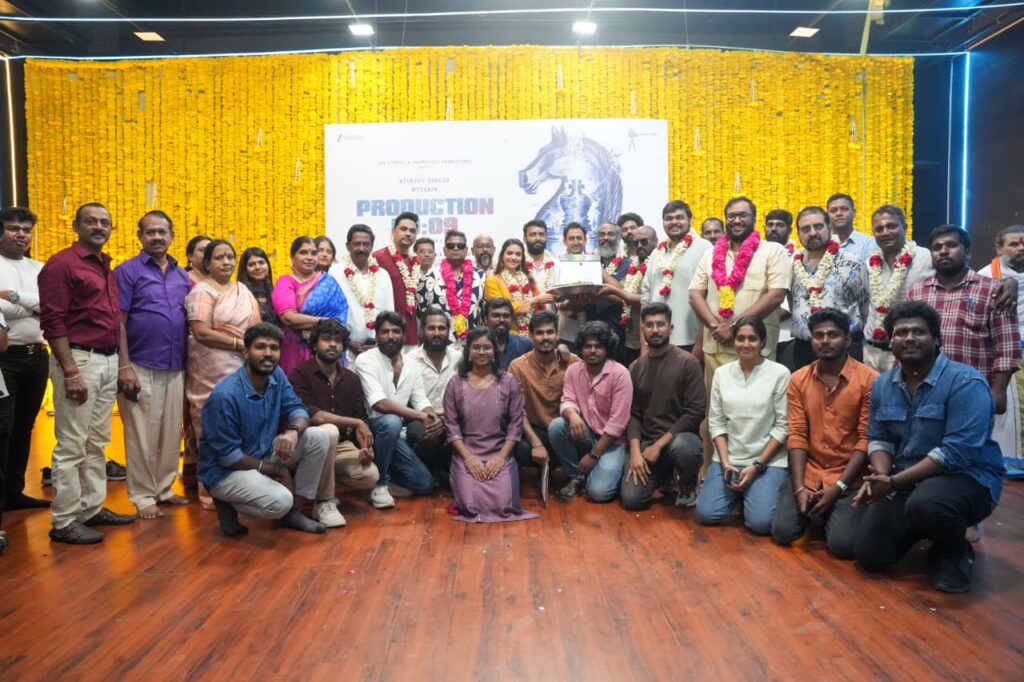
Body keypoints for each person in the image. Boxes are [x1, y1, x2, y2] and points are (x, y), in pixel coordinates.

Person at [853, 301, 1005, 593]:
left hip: (968, 480)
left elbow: (955, 453)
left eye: (919, 332)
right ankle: (929, 527)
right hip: (908, 481)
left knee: (928, 503)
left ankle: (955, 551)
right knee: (870, 555)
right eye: (901, 333)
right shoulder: (883, 385)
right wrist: (881, 476)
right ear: (891, 340)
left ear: (936, 338)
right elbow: (880, 438)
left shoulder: (966, 382)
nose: (909, 338)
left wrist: (893, 482)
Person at [39, 203, 137, 544]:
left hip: (107, 361)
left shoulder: (105, 266)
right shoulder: (61, 264)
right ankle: (65, 520)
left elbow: (115, 320)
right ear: (76, 226)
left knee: (97, 441)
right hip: (79, 361)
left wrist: (121, 363)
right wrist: (70, 371)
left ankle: (90, 508)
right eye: (91, 221)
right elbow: (53, 321)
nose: (99, 227)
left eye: (105, 222)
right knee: (72, 444)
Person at [199, 323, 332, 537]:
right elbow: (228, 456)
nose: (268, 353)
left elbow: (298, 409)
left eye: (274, 348)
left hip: (261, 454)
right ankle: (226, 500)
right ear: (246, 352)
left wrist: (293, 431)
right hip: (226, 471)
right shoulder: (226, 396)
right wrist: (278, 471)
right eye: (260, 347)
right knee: (280, 502)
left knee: (319, 436)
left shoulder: (276, 375)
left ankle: (294, 511)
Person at [907, 224, 1020, 468]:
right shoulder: (917, 292)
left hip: (973, 393)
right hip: (927, 393)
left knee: (970, 461)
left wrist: (998, 391)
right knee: (925, 457)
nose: (943, 251)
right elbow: (907, 344)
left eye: (951, 245)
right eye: (937, 247)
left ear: (967, 252)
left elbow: (1007, 345)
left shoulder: (993, 290)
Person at [772, 308, 876, 558]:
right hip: (810, 473)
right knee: (783, 532)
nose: (825, 341)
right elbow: (797, 434)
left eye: (833, 335)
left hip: (849, 478)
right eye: (818, 335)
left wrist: (838, 487)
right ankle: (820, 509)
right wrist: (799, 488)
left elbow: (866, 439)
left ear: (847, 339)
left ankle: (828, 510)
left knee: (843, 546)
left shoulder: (870, 380)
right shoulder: (799, 379)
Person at [113, 210, 192, 519]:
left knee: (171, 432)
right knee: (141, 433)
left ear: (172, 236)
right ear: (140, 236)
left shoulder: (182, 275)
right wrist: (124, 366)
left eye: (162, 231)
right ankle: (143, 494)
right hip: (140, 362)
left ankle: (164, 487)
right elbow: (118, 321)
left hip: (175, 364)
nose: (157, 236)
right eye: (151, 232)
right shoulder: (127, 272)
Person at [185, 239, 261, 509]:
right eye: (219, 257)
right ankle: (212, 489)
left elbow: (256, 329)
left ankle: (243, 487)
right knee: (210, 424)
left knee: (242, 422)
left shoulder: (243, 290)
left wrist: (253, 350)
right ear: (207, 263)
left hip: (243, 366)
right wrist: (241, 345)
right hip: (210, 367)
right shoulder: (201, 291)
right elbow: (201, 332)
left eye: (230, 256)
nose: (226, 262)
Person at [696, 315, 789, 535]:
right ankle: (742, 493)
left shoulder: (780, 373)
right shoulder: (722, 374)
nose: (746, 344)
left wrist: (757, 466)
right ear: (734, 341)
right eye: (740, 338)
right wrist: (726, 464)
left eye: (752, 339)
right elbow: (716, 422)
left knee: (760, 523)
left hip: (767, 461)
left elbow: (783, 427)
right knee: (706, 514)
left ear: (763, 342)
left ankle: (759, 489)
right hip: (729, 459)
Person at [288, 319, 379, 528]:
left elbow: (361, 416)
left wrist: (365, 448)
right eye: (326, 339)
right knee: (328, 431)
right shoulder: (299, 373)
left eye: (338, 341)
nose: (332, 344)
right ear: (315, 343)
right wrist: (357, 423)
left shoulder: (351, 379)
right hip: (309, 444)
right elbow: (315, 416)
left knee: (370, 475)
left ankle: (319, 484)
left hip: (341, 445)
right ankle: (324, 501)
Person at [689, 196, 790, 383]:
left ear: (754, 218)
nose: (736, 220)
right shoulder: (710, 254)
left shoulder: (773, 251)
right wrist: (715, 327)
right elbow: (695, 294)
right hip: (716, 346)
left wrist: (735, 328)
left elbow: (776, 295)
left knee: (758, 399)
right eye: (731, 216)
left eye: (743, 215)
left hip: (756, 347)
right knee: (717, 398)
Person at [443, 327, 537, 523]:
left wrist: (501, 458)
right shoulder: (455, 383)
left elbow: (515, 423)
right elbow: (451, 427)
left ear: (495, 352)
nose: (481, 352)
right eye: (476, 347)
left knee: (503, 506)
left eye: (486, 347)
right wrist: (469, 459)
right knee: (469, 506)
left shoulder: (508, 382)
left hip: (500, 451)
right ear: (468, 352)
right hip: (466, 453)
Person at [620, 303, 705, 510]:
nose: (655, 330)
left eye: (660, 324)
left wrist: (659, 446)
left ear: (671, 328)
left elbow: (695, 413)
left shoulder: (688, 363)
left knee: (685, 449)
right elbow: (633, 414)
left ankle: (688, 482)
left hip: (679, 439)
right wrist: (635, 452)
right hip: (647, 442)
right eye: (650, 325)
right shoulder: (635, 367)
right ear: (642, 329)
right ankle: (665, 475)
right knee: (632, 499)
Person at [354, 311, 439, 508]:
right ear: (377, 336)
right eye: (385, 332)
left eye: (396, 331)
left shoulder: (412, 365)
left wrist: (433, 419)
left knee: (424, 484)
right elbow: (379, 403)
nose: (390, 336)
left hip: (394, 433)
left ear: (404, 335)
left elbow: (421, 400)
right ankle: (379, 484)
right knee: (391, 421)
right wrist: (421, 416)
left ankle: (383, 472)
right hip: (368, 430)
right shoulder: (365, 360)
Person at [548, 321, 632, 502]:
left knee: (599, 493)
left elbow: (617, 425)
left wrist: (593, 456)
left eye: (598, 346)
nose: (592, 351)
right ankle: (576, 477)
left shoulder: (620, 374)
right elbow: (567, 400)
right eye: (587, 346)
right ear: (581, 348)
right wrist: (573, 415)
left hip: (613, 442)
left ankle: (610, 468)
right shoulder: (573, 370)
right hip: (588, 434)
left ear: (607, 348)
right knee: (557, 426)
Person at [0, 207, 50, 510]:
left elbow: (52, 306)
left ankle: (14, 492)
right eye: (13, 228)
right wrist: (32, 307)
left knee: (24, 426)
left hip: (36, 356)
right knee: (2, 428)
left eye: (26, 230)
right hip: (4, 359)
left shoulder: (39, 268)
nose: (21, 234)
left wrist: (14, 298)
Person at [788, 206, 869, 369]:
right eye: (805, 229)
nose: (812, 233)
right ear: (798, 234)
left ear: (830, 228)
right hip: (804, 348)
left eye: (818, 226)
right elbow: (792, 303)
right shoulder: (793, 264)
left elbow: (865, 304)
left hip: (844, 348)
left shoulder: (852, 262)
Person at [862, 204, 934, 372]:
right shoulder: (869, 263)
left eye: (892, 226)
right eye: (879, 229)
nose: (885, 232)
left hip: (908, 352)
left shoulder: (926, 258)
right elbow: (865, 302)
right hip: (871, 351)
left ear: (905, 227)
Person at [978, 224, 1024, 466]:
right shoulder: (986, 276)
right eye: (1014, 244)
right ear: (999, 248)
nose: (1021, 248)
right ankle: (1009, 462)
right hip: (1003, 355)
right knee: (1007, 416)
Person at [509, 311, 580, 466]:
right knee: (521, 450)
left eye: (550, 332)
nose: (545, 337)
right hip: (536, 430)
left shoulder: (573, 362)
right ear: (531, 336)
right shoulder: (518, 366)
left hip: (565, 429)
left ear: (557, 334)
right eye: (540, 333)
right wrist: (536, 443)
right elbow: (518, 410)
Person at [641, 200, 712, 352]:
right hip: (656, 339)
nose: (674, 222)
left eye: (679, 217)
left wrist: (700, 343)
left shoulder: (705, 248)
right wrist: (643, 345)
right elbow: (645, 298)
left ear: (690, 220)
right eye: (669, 218)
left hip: (690, 338)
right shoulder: (656, 253)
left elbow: (710, 298)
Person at [272, 236, 349, 375]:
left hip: (327, 349)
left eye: (313, 253)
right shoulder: (285, 281)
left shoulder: (328, 281)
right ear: (292, 257)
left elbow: (340, 317)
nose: (309, 257)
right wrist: (325, 321)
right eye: (303, 253)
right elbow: (288, 317)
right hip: (295, 349)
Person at [407, 307, 461, 478]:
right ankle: (429, 472)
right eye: (431, 328)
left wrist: (447, 419)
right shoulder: (409, 361)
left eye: (441, 328)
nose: (437, 333)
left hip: (453, 418)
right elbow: (408, 400)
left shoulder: (460, 358)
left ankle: (448, 469)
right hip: (421, 418)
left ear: (448, 331)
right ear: (421, 331)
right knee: (426, 432)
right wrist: (433, 419)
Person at [331, 224, 393, 362]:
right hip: (344, 348)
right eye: (356, 244)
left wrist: (380, 343)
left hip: (377, 349)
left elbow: (389, 314)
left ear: (372, 246)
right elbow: (331, 312)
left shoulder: (383, 275)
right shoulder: (336, 272)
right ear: (348, 246)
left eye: (366, 244)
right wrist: (347, 341)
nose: (361, 248)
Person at [598, 225, 657, 366]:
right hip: (631, 335)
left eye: (644, 242)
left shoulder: (659, 265)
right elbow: (628, 295)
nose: (639, 246)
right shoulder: (635, 265)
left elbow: (648, 300)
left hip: (651, 334)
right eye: (635, 243)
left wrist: (614, 291)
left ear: (656, 241)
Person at [417, 230, 483, 342]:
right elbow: (421, 315)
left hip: (473, 344)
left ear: (466, 250)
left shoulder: (481, 277)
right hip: (439, 344)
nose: (455, 248)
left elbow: (485, 314)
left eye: (460, 246)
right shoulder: (428, 277)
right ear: (444, 250)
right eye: (451, 246)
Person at [483, 238, 554, 335]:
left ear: (522, 258)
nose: (513, 257)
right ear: (502, 256)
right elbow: (499, 309)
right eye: (509, 253)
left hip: (530, 335)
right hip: (505, 335)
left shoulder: (528, 279)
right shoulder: (492, 281)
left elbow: (540, 305)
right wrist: (533, 301)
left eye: (518, 254)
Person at [373, 211, 421, 349]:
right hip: (387, 335)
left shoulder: (415, 261)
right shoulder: (378, 257)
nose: (408, 234)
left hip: (411, 334)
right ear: (393, 231)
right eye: (403, 229)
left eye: (412, 231)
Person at [588, 223, 633, 361]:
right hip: (590, 327)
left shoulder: (629, 264)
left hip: (617, 328)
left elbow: (626, 295)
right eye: (602, 234)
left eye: (610, 234)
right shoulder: (588, 261)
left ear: (618, 237)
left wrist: (600, 272)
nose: (605, 238)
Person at [762, 210, 796, 369]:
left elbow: (789, 306)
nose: (774, 229)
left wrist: (756, 316)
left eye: (780, 225)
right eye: (770, 225)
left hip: (785, 336)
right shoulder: (755, 255)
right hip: (758, 335)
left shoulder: (797, 259)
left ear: (790, 230)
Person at [553, 222, 590, 348]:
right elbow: (553, 296)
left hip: (590, 327)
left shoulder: (593, 263)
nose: (576, 242)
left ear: (585, 240)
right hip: (565, 329)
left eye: (579, 238)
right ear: (564, 241)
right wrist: (569, 304)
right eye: (571, 238)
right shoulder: (557, 264)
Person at [483, 297, 533, 369]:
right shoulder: (477, 346)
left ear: (511, 319)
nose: (501, 320)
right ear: (486, 319)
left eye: (506, 316)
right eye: (496, 316)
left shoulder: (525, 344)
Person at [827, 193, 875, 264]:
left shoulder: (869, 243)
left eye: (844, 209)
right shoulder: (821, 244)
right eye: (833, 210)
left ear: (854, 213)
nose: (839, 213)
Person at [236, 247, 278, 325]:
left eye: (261, 263)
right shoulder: (238, 294)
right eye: (251, 265)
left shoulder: (276, 292)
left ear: (268, 265)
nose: (258, 267)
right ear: (245, 270)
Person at [523, 219, 557, 305]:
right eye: (532, 234)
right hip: (525, 312)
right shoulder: (518, 264)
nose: (537, 238)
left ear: (546, 238)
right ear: (525, 238)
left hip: (550, 312)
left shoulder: (556, 264)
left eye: (541, 234)